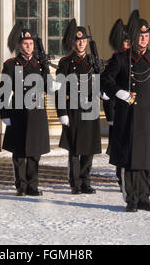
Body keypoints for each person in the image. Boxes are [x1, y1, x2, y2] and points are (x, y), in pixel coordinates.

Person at [101, 10, 150, 212]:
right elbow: (105, 80)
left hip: (148, 116)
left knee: (146, 158)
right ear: (133, 37)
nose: (144, 39)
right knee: (129, 158)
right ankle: (131, 198)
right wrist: (118, 93)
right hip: (128, 116)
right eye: (140, 35)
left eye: (147, 35)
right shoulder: (121, 58)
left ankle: (144, 198)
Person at [0, 25, 51, 196]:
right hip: (19, 111)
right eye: (25, 43)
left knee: (35, 152)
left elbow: (47, 87)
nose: (29, 46)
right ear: (19, 45)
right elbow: (4, 91)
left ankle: (33, 185)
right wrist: (4, 114)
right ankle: (21, 185)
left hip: (37, 112)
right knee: (19, 152)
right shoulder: (11, 65)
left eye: (31, 43)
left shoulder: (40, 64)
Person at [55, 19, 102, 195]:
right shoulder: (66, 62)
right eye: (77, 40)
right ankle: (75, 183)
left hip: (90, 107)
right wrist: (62, 112)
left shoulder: (93, 61)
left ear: (87, 42)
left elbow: (101, 80)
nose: (81, 43)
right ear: (73, 42)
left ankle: (85, 181)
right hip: (73, 108)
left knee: (88, 147)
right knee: (75, 149)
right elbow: (60, 88)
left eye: (83, 40)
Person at [104, 17, 132, 192]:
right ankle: (120, 176)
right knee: (119, 146)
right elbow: (108, 89)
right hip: (117, 109)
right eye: (126, 42)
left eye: (130, 41)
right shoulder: (115, 60)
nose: (128, 45)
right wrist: (110, 115)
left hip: (132, 110)